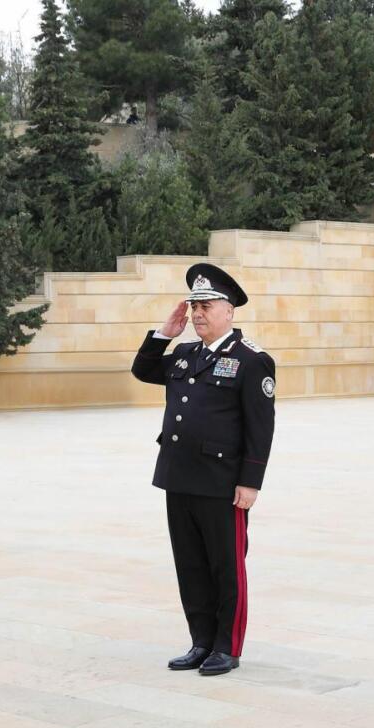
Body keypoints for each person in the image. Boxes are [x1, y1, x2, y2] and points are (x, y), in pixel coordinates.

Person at [130, 263, 275, 676]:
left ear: (229, 310)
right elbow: (143, 370)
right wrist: (164, 335)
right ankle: (201, 642)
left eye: (206, 306)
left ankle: (226, 647)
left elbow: (260, 427)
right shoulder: (185, 354)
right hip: (179, 476)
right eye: (194, 306)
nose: (197, 314)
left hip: (221, 483)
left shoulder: (251, 361)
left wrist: (250, 482)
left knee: (226, 568)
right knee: (190, 565)